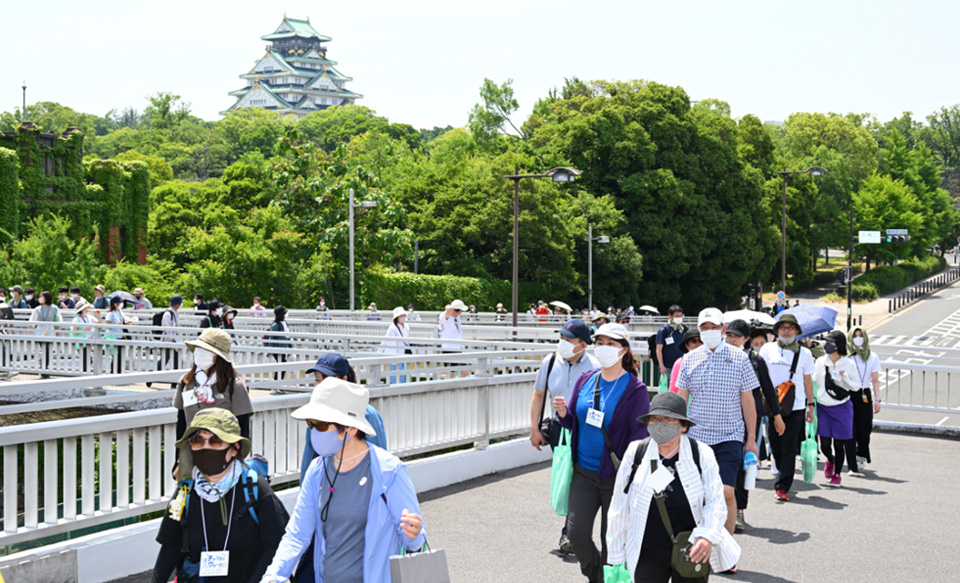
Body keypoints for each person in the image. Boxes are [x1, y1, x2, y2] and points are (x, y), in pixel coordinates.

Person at [259, 377, 427, 583]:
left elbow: (415, 542)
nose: (312, 431)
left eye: (319, 425)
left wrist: (415, 534)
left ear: (350, 428)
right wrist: (273, 576)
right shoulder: (317, 470)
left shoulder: (389, 471)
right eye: (310, 423)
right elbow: (297, 535)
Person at [607, 392, 741, 582]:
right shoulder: (636, 452)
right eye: (655, 419)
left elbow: (715, 501)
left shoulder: (701, 454)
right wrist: (615, 554)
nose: (660, 425)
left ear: (683, 426)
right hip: (647, 550)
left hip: (691, 548)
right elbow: (619, 504)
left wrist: (706, 536)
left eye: (669, 420)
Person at [553, 322, 650, 583]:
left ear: (624, 350)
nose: (604, 348)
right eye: (601, 343)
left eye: (611, 344)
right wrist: (563, 413)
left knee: (613, 541)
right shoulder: (586, 380)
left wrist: (631, 478)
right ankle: (596, 576)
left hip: (616, 477)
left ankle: (610, 578)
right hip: (583, 473)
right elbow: (574, 420)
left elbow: (639, 438)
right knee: (576, 534)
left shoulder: (635, 391)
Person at [152, 408, 289, 583]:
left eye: (215, 441)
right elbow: (170, 545)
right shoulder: (186, 491)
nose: (205, 447)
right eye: (198, 440)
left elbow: (276, 544)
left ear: (234, 449)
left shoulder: (254, 488)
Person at [675, 308, 758, 545]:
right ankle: (696, 544)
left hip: (729, 435)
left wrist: (751, 438)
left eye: (714, 327)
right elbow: (681, 398)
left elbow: (748, 400)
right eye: (704, 328)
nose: (709, 332)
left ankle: (726, 547)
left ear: (723, 329)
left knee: (726, 492)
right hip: (696, 435)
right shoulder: (689, 358)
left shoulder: (740, 358)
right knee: (696, 494)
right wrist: (674, 432)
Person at [529, 319, 601, 555]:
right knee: (566, 477)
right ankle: (572, 531)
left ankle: (569, 533)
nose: (563, 343)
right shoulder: (550, 362)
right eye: (561, 338)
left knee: (577, 479)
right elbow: (539, 395)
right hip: (559, 430)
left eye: (568, 340)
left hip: (585, 431)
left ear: (582, 345)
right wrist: (534, 429)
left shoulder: (595, 365)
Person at [723, 320, 784, 532]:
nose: (731, 340)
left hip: (751, 418)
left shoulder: (755, 360)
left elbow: (768, 389)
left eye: (736, 336)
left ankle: (739, 509)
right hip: (724, 418)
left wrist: (777, 415)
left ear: (746, 339)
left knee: (743, 463)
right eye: (729, 335)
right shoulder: (718, 356)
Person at [758, 314, 815, 502]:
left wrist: (811, 405)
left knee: (789, 446)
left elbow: (808, 381)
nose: (787, 331)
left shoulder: (805, 354)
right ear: (777, 331)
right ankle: (783, 470)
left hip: (796, 406)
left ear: (797, 331)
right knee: (775, 443)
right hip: (772, 405)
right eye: (783, 327)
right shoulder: (767, 349)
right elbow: (759, 374)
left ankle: (783, 486)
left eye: (791, 327)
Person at [174, 329, 254, 443]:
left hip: (223, 453)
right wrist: (179, 456)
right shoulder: (186, 382)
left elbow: (243, 427)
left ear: (219, 356)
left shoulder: (235, 385)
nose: (200, 352)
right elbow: (181, 422)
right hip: (192, 450)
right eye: (198, 348)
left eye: (206, 350)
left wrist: (238, 457)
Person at [815, 330, 861, 487]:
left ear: (839, 345)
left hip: (841, 408)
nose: (827, 345)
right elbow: (815, 382)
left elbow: (856, 387)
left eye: (831, 342)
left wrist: (844, 378)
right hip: (823, 407)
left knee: (839, 444)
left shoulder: (849, 364)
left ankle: (837, 474)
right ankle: (831, 459)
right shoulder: (820, 361)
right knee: (825, 444)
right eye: (826, 342)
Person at [848, 326, 881, 472]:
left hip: (864, 394)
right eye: (855, 335)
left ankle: (861, 454)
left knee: (865, 428)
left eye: (861, 335)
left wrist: (878, 399)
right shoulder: (846, 356)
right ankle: (851, 459)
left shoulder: (872, 356)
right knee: (850, 428)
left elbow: (875, 380)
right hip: (849, 394)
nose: (858, 338)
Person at [656, 305, 687, 394]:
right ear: (670, 316)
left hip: (682, 365)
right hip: (668, 366)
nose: (679, 318)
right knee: (669, 391)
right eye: (677, 316)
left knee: (682, 390)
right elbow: (659, 349)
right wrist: (661, 366)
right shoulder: (664, 330)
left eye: (680, 316)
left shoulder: (684, 329)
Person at [30, 291, 61, 375]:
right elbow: (31, 322)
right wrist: (29, 334)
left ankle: (44, 367)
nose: (40, 298)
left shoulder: (54, 308)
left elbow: (59, 321)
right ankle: (44, 369)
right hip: (40, 332)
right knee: (45, 349)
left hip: (50, 331)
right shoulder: (37, 309)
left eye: (41, 297)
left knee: (47, 350)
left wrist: (58, 334)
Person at [379, 306, 410, 384]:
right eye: (401, 316)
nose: (403, 317)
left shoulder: (406, 327)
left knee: (402, 374)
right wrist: (378, 353)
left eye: (404, 315)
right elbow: (385, 341)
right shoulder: (392, 328)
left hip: (402, 353)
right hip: (393, 354)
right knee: (393, 375)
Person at [439, 299, 468, 378]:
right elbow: (449, 309)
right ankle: (446, 387)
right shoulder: (445, 316)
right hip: (448, 348)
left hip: (457, 348)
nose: (461, 313)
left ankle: (456, 384)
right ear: (456, 311)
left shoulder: (457, 317)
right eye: (460, 311)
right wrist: (450, 307)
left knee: (465, 371)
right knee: (450, 373)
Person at [105, 295, 133, 373]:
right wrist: (116, 325)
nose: (121, 304)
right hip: (114, 336)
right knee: (116, 356)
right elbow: (107, 325)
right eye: (119, 302)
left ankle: (119, 372)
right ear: (115, 304)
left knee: (120, 355)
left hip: (120, 336)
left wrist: (129, 321)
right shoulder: (110, 314)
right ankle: (113, 372)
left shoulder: (120, 312)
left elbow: (122, 323)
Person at [157, 295, 182, 382]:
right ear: (177, 304)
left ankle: (175, 382)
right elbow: (167, 328)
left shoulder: (175, 313)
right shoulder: (168, 314)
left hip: (174, 341)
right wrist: (172, 339)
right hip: (168, 341)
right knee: (164, 360)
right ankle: (151, 378)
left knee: (177, 361)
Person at [266, 305, 292, 383]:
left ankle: (278, 384)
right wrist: (269, 351)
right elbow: (271, 338)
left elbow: (287, 336)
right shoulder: (275, 325)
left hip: (283, 349)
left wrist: (290, 346)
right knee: (282, 366)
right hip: (277, 349)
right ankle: (276, 383)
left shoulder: (285, 323)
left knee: (282, 366)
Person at [71, 302, 99, 373]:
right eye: (85, 308)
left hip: (88, 340)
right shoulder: (76, 319)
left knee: (88, 358)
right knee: (85, 358)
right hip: (81, 341)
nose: (87, 309)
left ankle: (85, 372)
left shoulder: (90, 317)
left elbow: (99, 323)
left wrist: (99, 315)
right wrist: (85, 329)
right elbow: (74, 331)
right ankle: (84, 372)